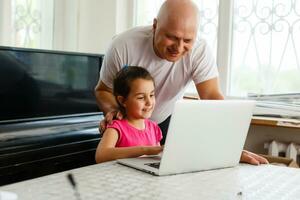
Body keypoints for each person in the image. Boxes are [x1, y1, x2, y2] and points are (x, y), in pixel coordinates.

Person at [95, 0, 268, 165]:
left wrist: (229, 148)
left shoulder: (199, 52)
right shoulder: (123, 45)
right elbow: (103, 90)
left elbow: (212, 97)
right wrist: (115, 111)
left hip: (161, 123)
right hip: (127, 123)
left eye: (187, 40)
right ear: (155, 26)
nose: (178, 48)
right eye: (172, 37)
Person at [95, 66, 163, 163]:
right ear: (123, 101)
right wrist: (146, 150)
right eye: (141, 97)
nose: (149, 102)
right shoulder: (116, 128)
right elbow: (101, 156)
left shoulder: (154, 127)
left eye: (151, 95)